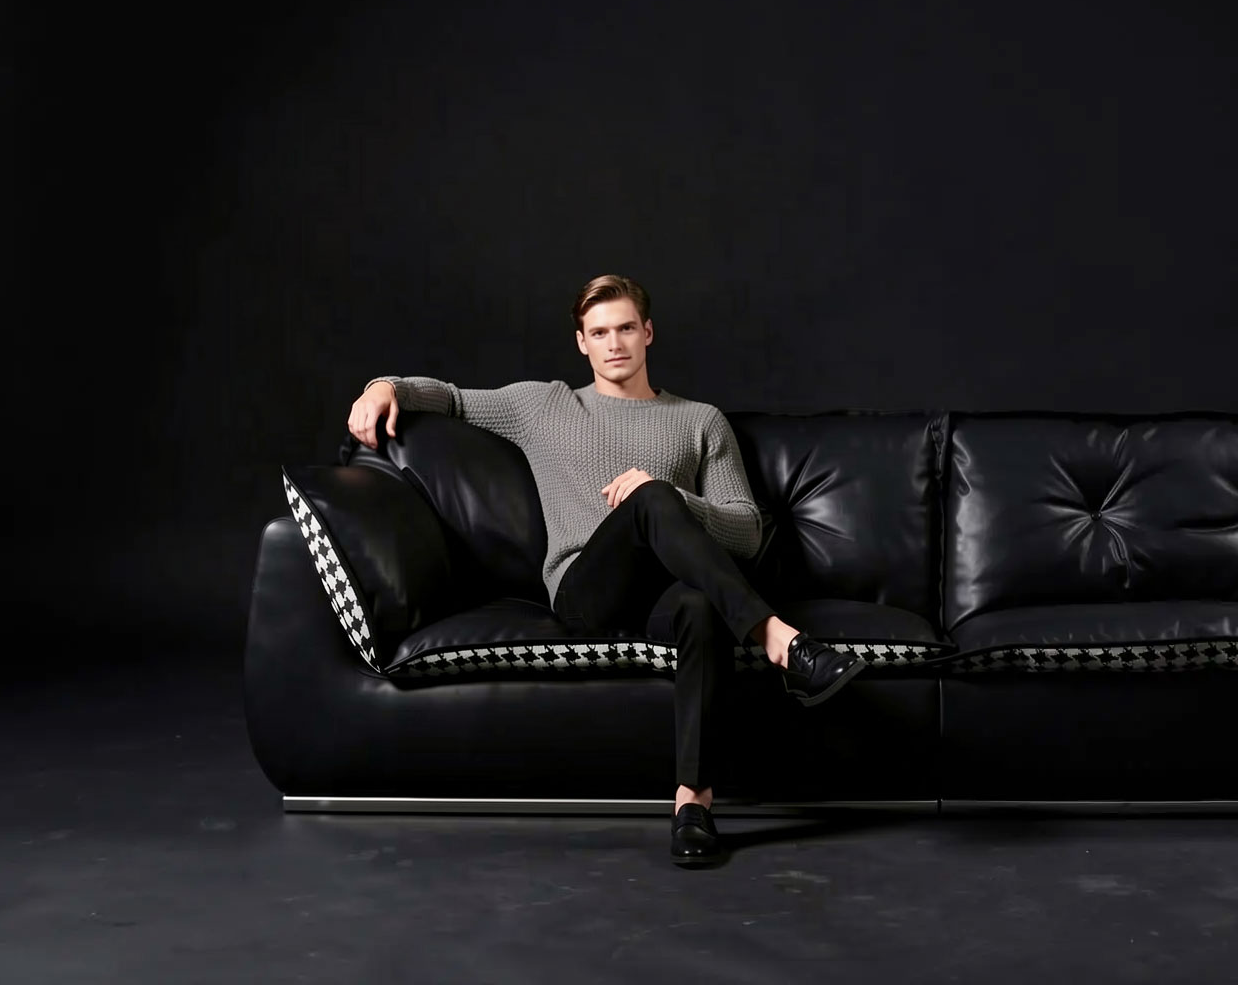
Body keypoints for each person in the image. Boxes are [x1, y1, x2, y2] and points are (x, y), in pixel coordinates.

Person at [344, 274, 863, 868]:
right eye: (599, 333)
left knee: (698, 601)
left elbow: (746, 531)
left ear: (648, 332)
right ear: (581, 342)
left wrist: (672, 496)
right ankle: (780, 640)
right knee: (650, 499)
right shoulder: (543, 405)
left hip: (669, 594)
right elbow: (452, 399)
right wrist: (383, 386)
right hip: (587, 591)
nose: (614, 343)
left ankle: (693, 805)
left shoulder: (700, 420)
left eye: (625, 329)